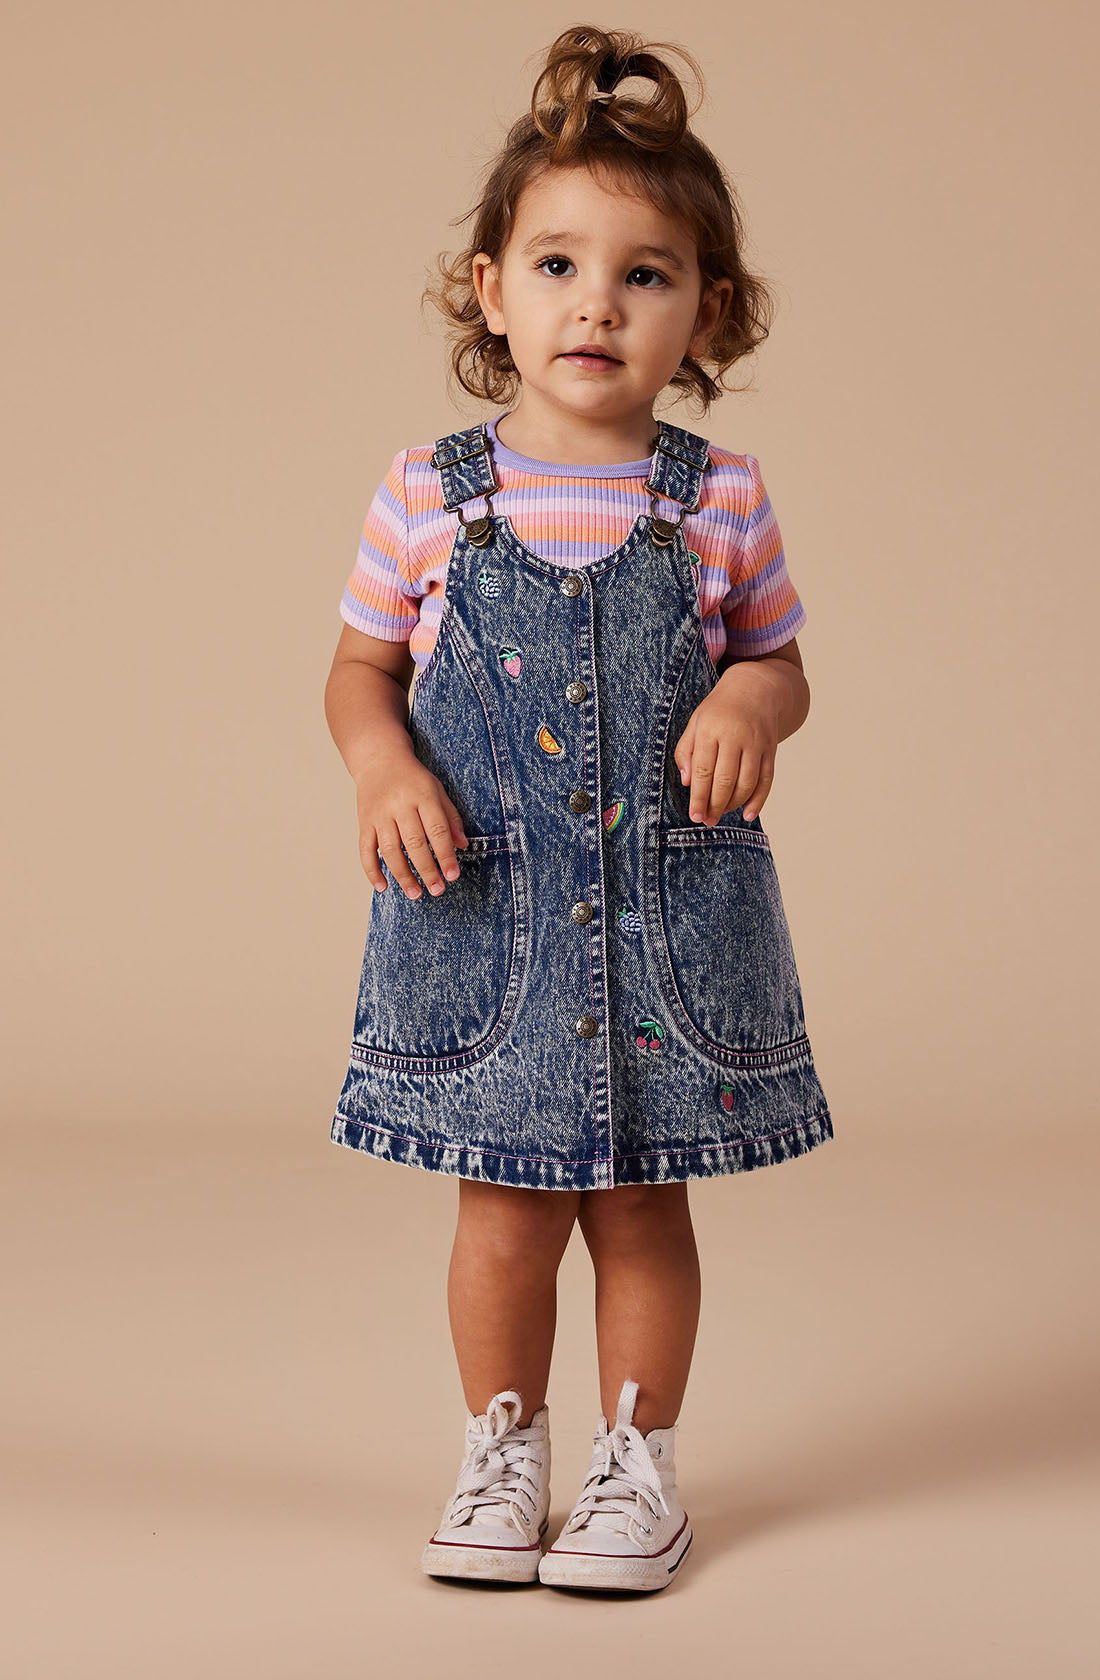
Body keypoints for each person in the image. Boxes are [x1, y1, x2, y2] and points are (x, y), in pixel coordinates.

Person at [323, 23, 834, 1594]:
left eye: (645, 274)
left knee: (640, 1207)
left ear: (708, 310)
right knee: (500, 1211)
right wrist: (386, 763)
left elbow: (781, 660)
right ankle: (501, 1448)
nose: (595, 305)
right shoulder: (427, 492)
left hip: (667, 926)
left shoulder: (720, 496)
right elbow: (356, 671)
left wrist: (755, 698)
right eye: (555, 264)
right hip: (488, 910)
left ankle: (637, 1468)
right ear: (489, 288)